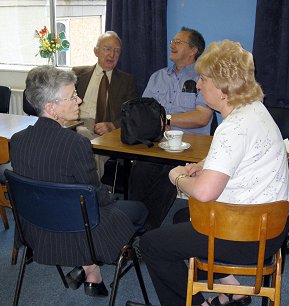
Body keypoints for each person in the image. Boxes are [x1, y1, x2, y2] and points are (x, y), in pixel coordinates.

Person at [126, 40, 289, 306]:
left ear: (223, 87)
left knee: (151, 245)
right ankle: (232, 290)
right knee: (183, 215)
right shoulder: (255, 110)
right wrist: (207, 164)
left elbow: (205, 192)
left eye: (203, 79)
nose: (199, 85)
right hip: (271, 226)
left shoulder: (233, 127)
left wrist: (177, 176)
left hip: (246, 236)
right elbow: (240, 152)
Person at [10, 66, 148, 298]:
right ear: (51, 107)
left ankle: (90, 270)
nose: (79, 99)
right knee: (139, 209)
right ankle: (94, 262)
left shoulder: (18, 140)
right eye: (73, 96)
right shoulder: (75, 144)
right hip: (78, 235)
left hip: (35, 233)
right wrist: (110, 197)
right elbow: (97, 198)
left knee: (78, 208)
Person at [128, 27, 213, 230]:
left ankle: (148, 231)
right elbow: (144, 112)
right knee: (140, 169)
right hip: (157, 142)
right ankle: (130, 224)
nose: (172, 45)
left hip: (191, 146)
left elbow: (202, 117)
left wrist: (165, 119)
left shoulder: (203, 79)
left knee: (168, 172)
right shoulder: (157, 77)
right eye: (172, 41)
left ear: (193, 50)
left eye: (178, 42)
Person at [72, 31, 137, 177]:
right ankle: (96, 192)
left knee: (95, 149)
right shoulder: (78, 74)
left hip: (107, 132)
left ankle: (92, 193)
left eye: (117, 51)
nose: (112, 55)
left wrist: (112, 125)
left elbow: (132, 114)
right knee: (84, 137)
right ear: (96, 51)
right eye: (107, 49)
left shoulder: (126, 81)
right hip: (78, 125)